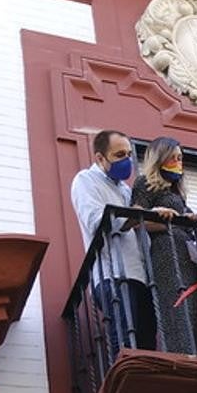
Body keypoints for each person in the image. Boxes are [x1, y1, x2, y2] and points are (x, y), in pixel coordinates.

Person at [69, 130, 156, 351]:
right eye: (119, 155)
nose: (126, 160)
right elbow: (96, 222)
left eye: (128, 154)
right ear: (100, 158)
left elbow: (138, 226)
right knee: (125, 341)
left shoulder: (125, 190)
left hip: (140, 276)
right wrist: (133, 216)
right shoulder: (85, 181)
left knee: (147, 345)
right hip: (113, 274)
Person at [130, 137, 197, 355]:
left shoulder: (176, 191)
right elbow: (137, 221)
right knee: (177, 304)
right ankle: (181, 352)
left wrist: (192, 217)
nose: (178, 162)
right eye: (173, 157)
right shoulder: (145, 183)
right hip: (166, 254)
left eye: (180, 158)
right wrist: (159, 217)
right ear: (160, 158)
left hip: (188, 254)